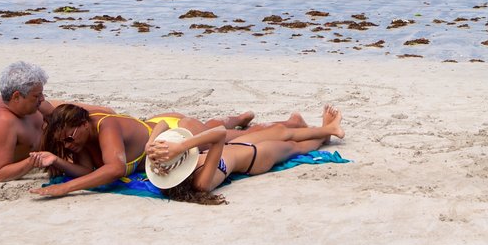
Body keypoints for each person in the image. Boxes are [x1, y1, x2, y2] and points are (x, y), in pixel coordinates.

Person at [29, 104, 301, 197]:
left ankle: (290, 124)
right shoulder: (80, 138)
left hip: (169, 131)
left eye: (68, 139)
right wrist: (58, 162)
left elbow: (113, 170)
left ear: (82, 124)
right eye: (62, 144)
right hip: (158, 126)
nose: (68, 146)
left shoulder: (105, 126)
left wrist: (63, 188)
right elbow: (89, 172)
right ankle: (237, 118)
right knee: (218, 130)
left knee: (237, 138)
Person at [145, 106, 345, 204]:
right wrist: (182, 147)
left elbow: (162, 124)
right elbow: (219, 134)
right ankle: (325, 133)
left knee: (282, 131)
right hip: (254, 158)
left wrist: (150, 145)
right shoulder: (200, 184)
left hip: (236, 146)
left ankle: (327, 131)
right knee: (294, 147)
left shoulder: (163, 168)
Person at [0, 62, 116, 182]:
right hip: (49, 154)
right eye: (37, 96)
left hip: (61, 142)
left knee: (106, 112)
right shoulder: (3, 123)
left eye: (41, 94)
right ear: (16, 97)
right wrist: (34, 161)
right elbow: (0, 173)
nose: (42, 98)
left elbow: (55, 112)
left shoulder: (29, 104)